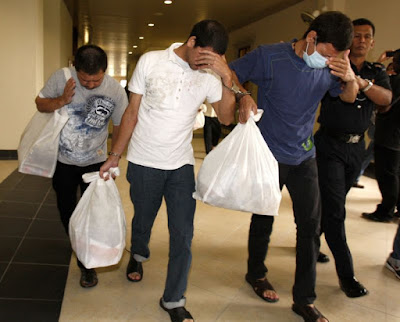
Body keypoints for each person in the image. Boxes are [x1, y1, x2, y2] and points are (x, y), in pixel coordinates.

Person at [100, 20, 236, 322]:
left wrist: (225, 74)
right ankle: (138, 254)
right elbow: (132, 113)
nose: (206, 64)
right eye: (204, 57)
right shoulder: (151, 61)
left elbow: (227, 117)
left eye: (213, 60)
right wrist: (115, 155)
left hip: (181, 166)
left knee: (183, 234)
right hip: (144, 161)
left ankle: (174, 299)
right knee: (144, 219)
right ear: (191, 42)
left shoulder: (212, 75)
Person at [229, 11, 357, 322]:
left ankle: (304, 300)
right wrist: (243, 94)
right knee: (263, 220)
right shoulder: (270, 56)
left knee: (310, 229)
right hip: (269, 155)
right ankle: (256, 274)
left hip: (304, 156)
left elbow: (349, 98)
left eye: (335, 57)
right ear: (311, 38)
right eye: (326, 54)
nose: (328, 61)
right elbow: (230, 72)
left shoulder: (331, 66)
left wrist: (350, 76)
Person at [35, 45, 129, 288]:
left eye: (95, 80)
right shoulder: (62, 77)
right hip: (63, 161)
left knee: (93, 212)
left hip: (96, 162)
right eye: (84, 80)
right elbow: (40, 104)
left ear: (104, 71)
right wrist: (62, 100)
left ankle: (87, 265)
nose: (89, 85)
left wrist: (115, 156)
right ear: (75, 69)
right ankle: (77, 242)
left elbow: (120, 125)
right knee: (66, 209)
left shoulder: (115, 90)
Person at [315, 18, 392, 298]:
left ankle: (309, 241)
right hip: (329, 146)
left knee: (331, 203)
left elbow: (386, 99)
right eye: (356, 36)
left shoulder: (376, 71)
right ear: (348, 40)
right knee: (336, 211)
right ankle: (347, 276)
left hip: (356, 150)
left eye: (366, 36)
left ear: (372, 42)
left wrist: (362, 83)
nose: (361, 40)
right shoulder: (332, 66)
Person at [362, 50, 400, 222]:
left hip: (389, 136)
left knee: (387, 176)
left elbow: (377, 88)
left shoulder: (395, 82)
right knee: (395, 174)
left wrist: (380, 62)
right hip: (395, 137)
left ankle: (386, 211)